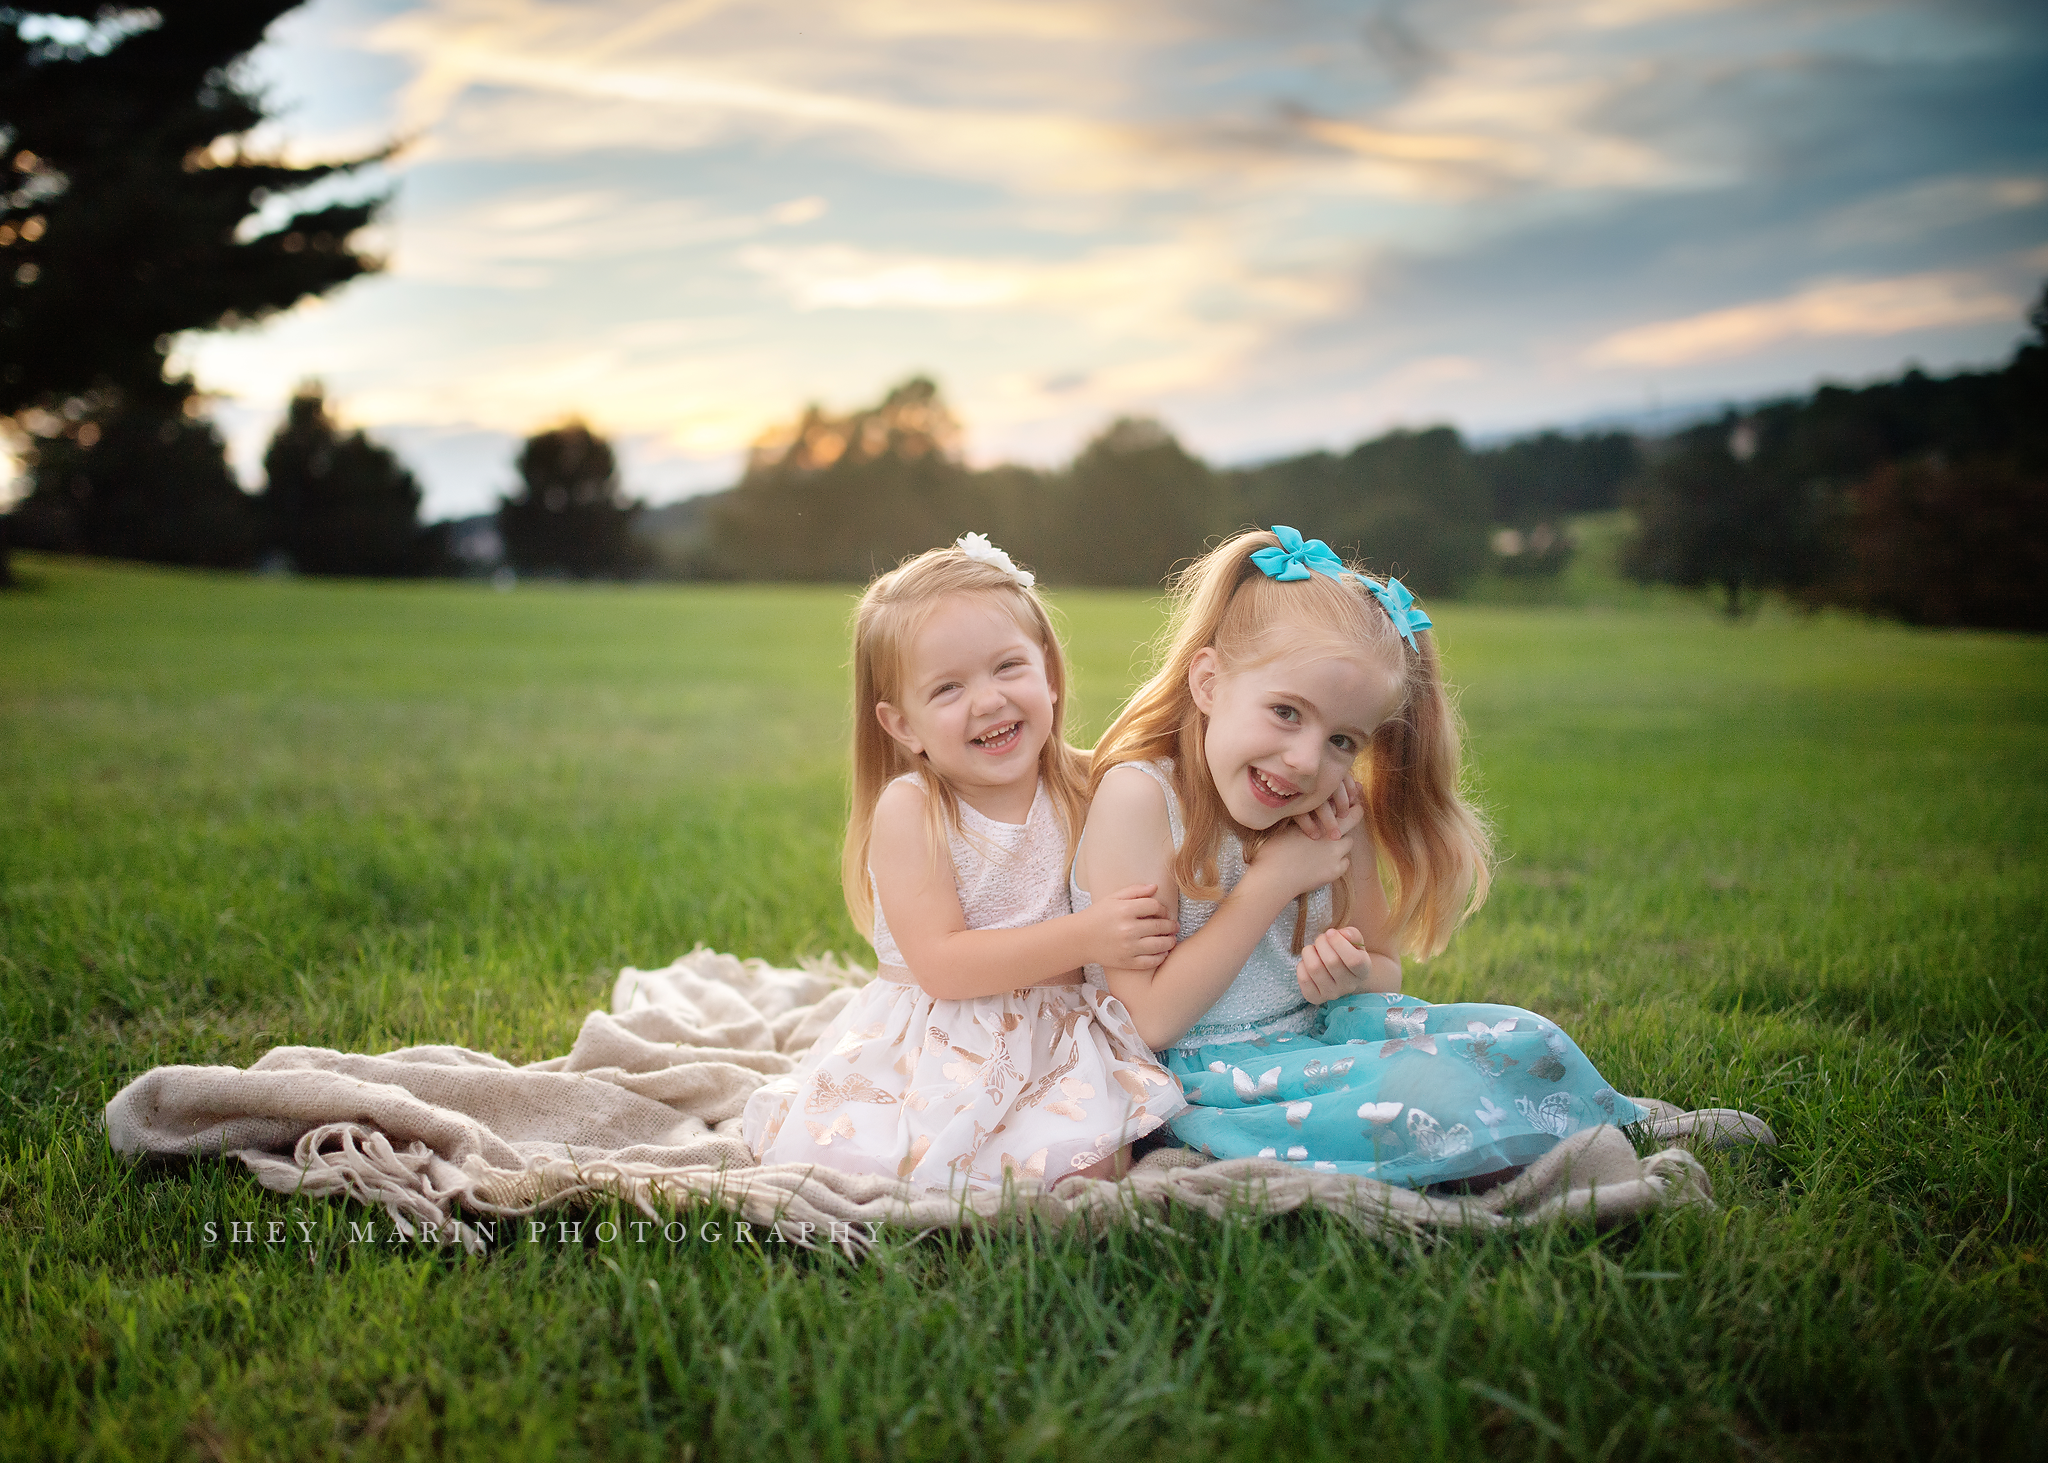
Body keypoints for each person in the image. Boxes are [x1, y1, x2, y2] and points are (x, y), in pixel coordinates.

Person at [1073, 527, 1644, 1186]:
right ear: (1209, 681)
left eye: (1342, 738)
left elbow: (1384, 967)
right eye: (1286, 711)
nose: (1306, 760)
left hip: (1320, 1037)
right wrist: (1272, 882)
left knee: (1527, 1037)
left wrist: (1349, 978)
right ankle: (1509, 1154)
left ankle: (1556, 1132)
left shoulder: (1334, 809)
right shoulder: (1142, 799)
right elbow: (1147, 1019)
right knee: (1421, 1093)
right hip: (1203, 1071)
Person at [744, 534, 1185, 1189]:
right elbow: (945, 966)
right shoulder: (914, 809)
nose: (987, 700)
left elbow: (1190, 802)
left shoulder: (1093, 784)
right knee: (912, 1160)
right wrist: (1091, 934)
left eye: (1008, 667)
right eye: (948, 688)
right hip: (945, 1041)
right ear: (903, 725)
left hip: (1060, 1038)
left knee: (1096, 1163)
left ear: (1050, 673)